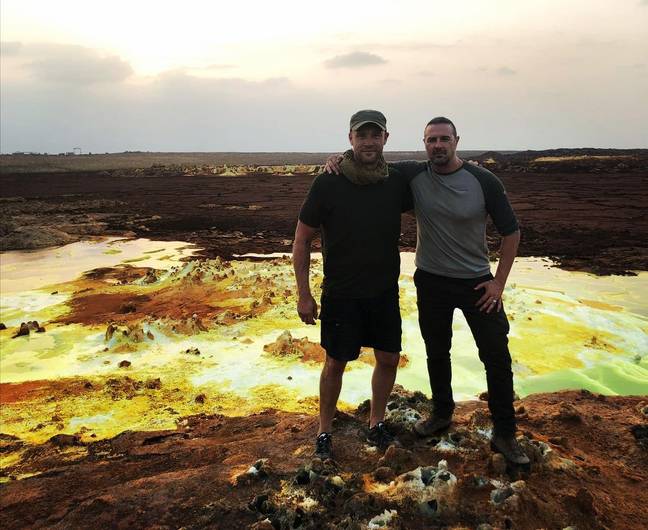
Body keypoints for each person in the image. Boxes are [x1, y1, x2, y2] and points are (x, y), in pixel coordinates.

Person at [325, 117, 529, 465]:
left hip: (477, 282)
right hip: (432, 280)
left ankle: (505, 433)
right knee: (437, 351)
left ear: (456, 141)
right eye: (431, 140)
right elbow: (369, 159)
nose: (438, 145)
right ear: (424, 144)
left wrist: (498, 283)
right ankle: (441, 412)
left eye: (444, 139)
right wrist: (337, 160)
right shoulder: (414, 174)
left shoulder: (483, 180)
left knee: (496, 354)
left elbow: (511, 232)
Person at [292, 109, 412, 461]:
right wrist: (304, 294)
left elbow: (438, 177)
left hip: (384, 291)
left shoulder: (396, 180)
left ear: (386, 139)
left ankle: (376, 423)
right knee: (335, 361)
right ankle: (324, 430)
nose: (369, 142)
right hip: (341, 292)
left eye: (376, 135)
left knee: (389, 357)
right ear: (350, 139)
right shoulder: (328, 181)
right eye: (362, 135)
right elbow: (302, 240)